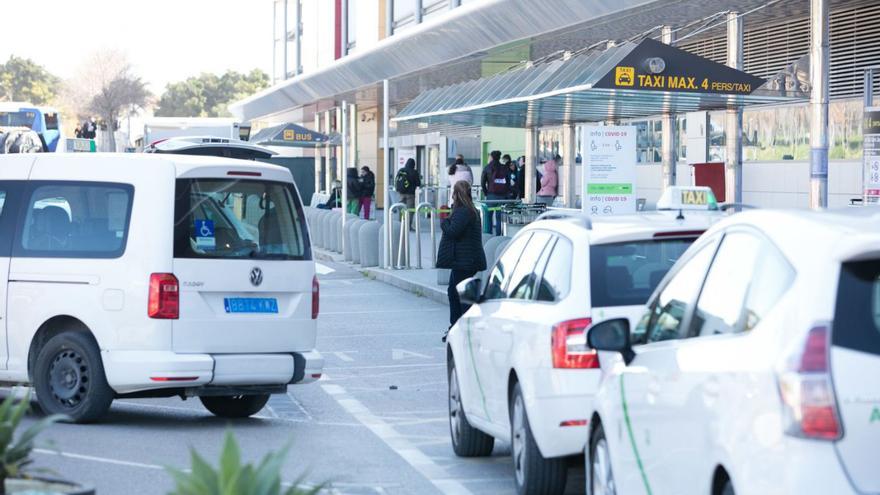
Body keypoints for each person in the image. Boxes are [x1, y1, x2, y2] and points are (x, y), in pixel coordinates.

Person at [437, 180, 487, 333]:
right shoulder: (470, 210)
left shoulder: (464, 211)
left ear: (457, 194)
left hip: (464, 261)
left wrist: (443, 219)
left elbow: (453, 231)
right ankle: (457, 326)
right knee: (454, 291)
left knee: (461, 295)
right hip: (465, 260)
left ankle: (464, 328)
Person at [480, 150, 511, 235]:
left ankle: (488, 235)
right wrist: (506, 193)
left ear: (492, 157)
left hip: (491, 196)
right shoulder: (504, 168)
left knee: (488, 216)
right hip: (502, 196)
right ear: (499, 157)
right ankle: (498, 235)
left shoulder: (487, 168)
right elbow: (508, 182)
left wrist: (487, 193)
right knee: (499, 218)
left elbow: (482, 183)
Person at [395, 158, 421, 229]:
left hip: (401, 193)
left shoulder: (401, 170)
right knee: (410, 210)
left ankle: (401, 224)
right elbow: (418, 183)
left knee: (402, 209)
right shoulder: (414, 172)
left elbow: (397, 179)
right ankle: (408, 226)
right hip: (410, 194)